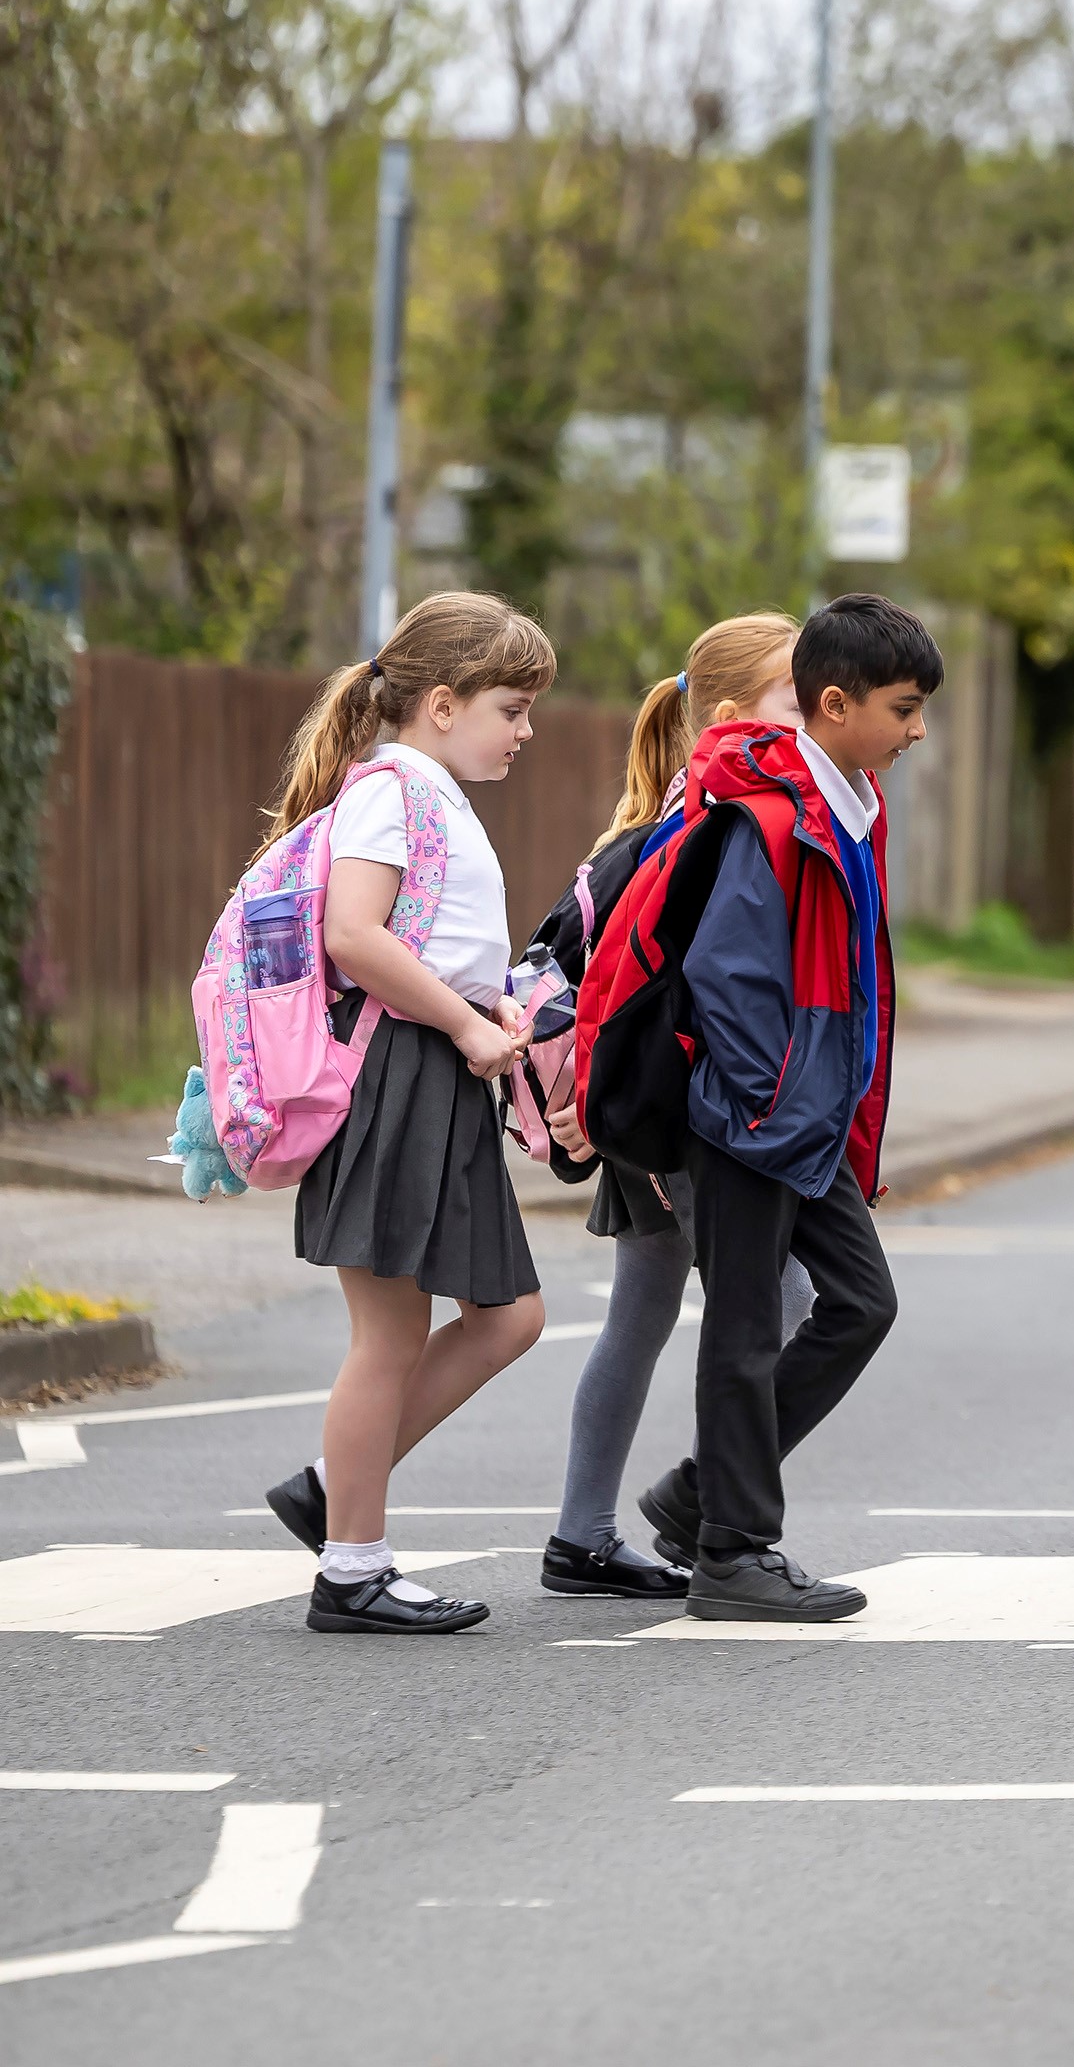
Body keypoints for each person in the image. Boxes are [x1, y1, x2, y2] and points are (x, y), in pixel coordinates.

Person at [622, 593, 935, 1620]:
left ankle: (700, 1494)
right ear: (835, 705)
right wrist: (767, 1102)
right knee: (746, 1328)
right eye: (904, 708)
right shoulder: (771, 815)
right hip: (753, 1117)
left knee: (862, 1303)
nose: (917, 730)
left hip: (804, 1116)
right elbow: (728, 975)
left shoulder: (847, 806)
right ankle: (733, 1550)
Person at [253, 591, 558, 1635]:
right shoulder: (391, 790)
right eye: (512, 709)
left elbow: (431, 940)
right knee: (389, 1334)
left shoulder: (436, 794)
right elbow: (355, 936)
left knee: (509, 1317)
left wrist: (491, 1001)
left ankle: (331, 1489)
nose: (525, 730)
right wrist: (467, 1023)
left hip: (438, 1070)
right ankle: (351, 1567)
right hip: (396, 1075)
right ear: (442, 703)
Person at [529, 613, 815, 1600]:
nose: (814, 714)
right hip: (673, 1123)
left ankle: (583, 1535)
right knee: (784, 1301)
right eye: (795, 696)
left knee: (643, 1310)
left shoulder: (697, 815)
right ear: (732, 715)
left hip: (654, 1117)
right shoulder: (701, 828)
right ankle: (704, 1503)